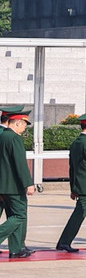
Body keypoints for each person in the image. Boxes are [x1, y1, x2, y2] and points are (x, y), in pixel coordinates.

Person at [57, 107, 86, 253]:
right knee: (79, 216)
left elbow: (72, 168)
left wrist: (73, 187)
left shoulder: (76, 143)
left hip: (82, 185)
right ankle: (64, 242)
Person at [0, 106, 36, 259]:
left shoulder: (2, 136)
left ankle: (16, 249)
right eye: (24, 124)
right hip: (14, 186)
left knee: (12, 216)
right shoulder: (14, 138)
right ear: (17, 123)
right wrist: (28, 183)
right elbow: (20, 163)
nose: (25, 128)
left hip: (4, 185)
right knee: (20, 215)